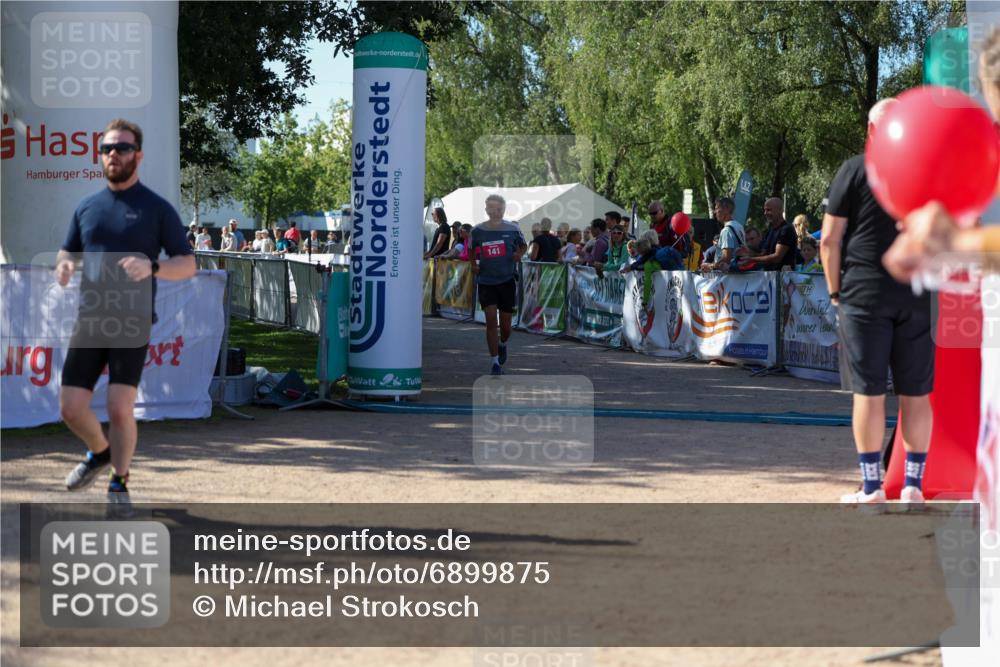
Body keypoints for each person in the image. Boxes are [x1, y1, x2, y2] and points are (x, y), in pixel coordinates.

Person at [56, 118, 195, 508]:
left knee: (119, 409)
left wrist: (152, 268)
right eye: (107, 149)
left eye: (122, 148)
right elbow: (69, 250)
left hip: (131, 320)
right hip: (90, 319)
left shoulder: (156, 209)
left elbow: (187, 264)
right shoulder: (87, 207)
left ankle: (119, 481)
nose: (113, 154)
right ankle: (99, 451)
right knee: (70, 408)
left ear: (139, 155)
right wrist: (65, 264)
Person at [820, 97, 933, 505]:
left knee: (868, 394)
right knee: (916, 394)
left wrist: (835, 293)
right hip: (918, 292)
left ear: (870, 131)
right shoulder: (926, 168)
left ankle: (872, 489)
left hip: (864, 294)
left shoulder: (853, 170)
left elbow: (830, 241)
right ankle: (914, 487)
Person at [469, 194, 527, 376]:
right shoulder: (477, 230)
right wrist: (472, 264)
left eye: (499, 209)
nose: (496, 212)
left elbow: (524, 245)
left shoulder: (513, 228)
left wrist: (519, 254)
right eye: (492, 209)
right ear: (486, 210)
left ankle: (502, 344)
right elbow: (471, 247)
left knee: (506, 326)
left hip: (507, 280)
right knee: (491, 321)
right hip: (486, 281)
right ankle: (495, 363)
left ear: (504, 210)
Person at [740, 198, 796, 271]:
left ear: (780, 210)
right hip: (769, 277)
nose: (765, 213)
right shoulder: (771, 230)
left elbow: (777, 257)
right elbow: (764, 254)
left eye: (769, 210)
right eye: (765, 210)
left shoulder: (786, 229)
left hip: (783, 279)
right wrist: (746, 253)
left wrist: (752, 259)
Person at [702, 197, 744, 273]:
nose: (715, 212)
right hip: (737, 274)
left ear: (726, 209)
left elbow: (726, 258)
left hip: (727, 277)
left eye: (717, 208)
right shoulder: (739, 226)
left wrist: (710, 266)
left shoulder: (726, 230)